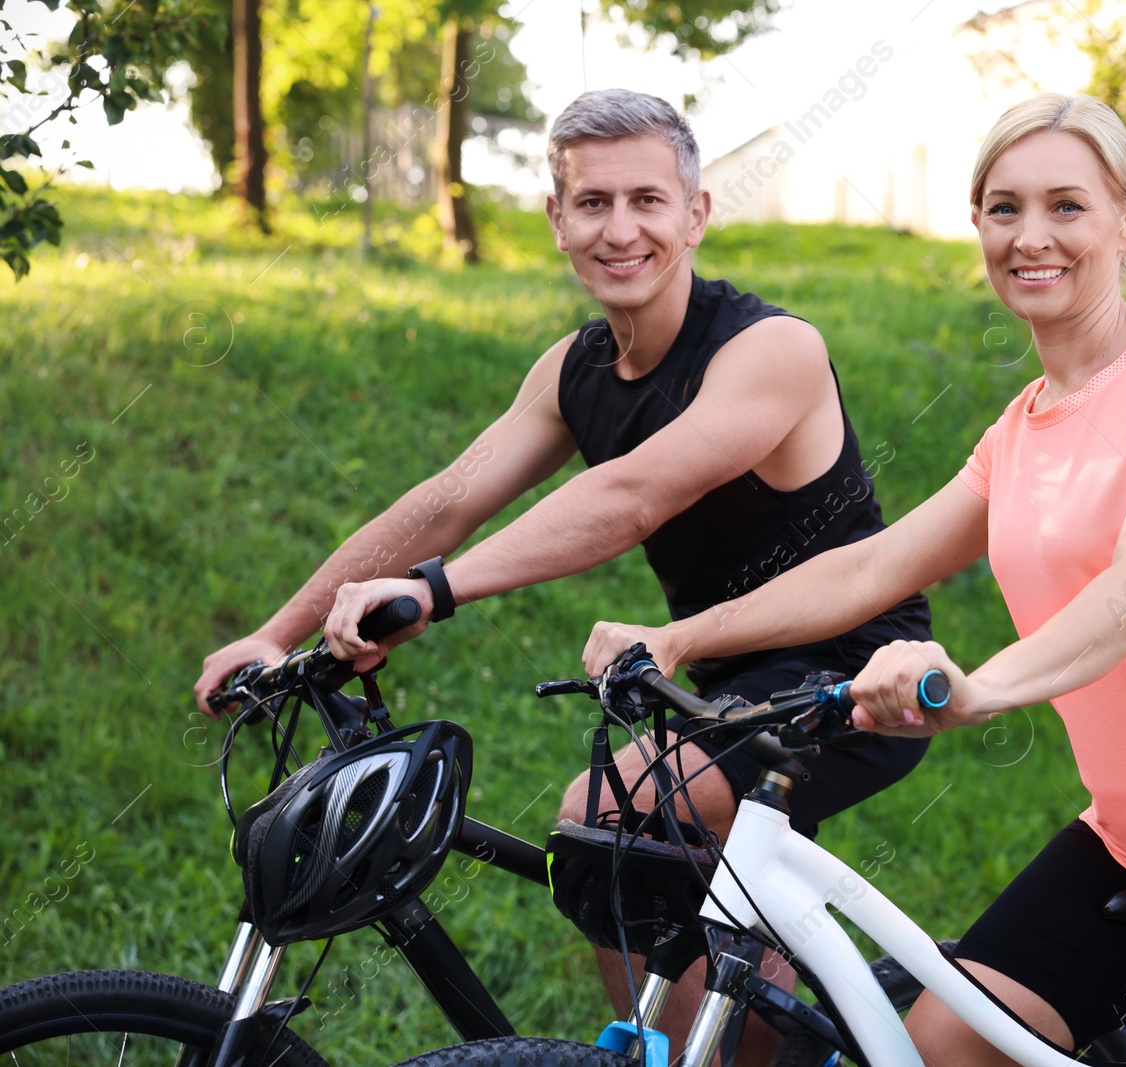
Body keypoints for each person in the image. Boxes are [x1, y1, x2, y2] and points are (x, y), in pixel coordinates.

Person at [585, 92, 1126, 1067]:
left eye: (1067, 205)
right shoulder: (1023, 425)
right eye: (1004, 207)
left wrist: (982, 688)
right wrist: (682, 638)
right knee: (935, 1048)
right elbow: (874, 564)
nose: (1031, 236)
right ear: (976, 223)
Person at [194, 88, 932, 1059]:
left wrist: (436, 590)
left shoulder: (772, 349)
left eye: (647, 201)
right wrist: (278, 631)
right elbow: (448, 497)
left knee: (612, 812)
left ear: (696, 213)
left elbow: (631, 495)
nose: (619, 229)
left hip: (853, 676)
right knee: (643, 869)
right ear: (556, 219)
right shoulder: (573, 370)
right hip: (709, 683)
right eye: (591, 204)